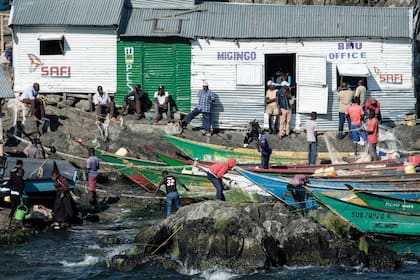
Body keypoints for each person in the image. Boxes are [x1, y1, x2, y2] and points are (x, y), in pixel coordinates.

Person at [7, 160, 25, 229]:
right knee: (21, 209)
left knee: (13, 209)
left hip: (12, 195)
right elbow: (20, 190)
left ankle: (8, 225)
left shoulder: (13, 175)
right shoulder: (21, 181)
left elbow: (9, 183)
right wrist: (21, 200)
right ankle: (22, 226)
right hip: (17, 196)